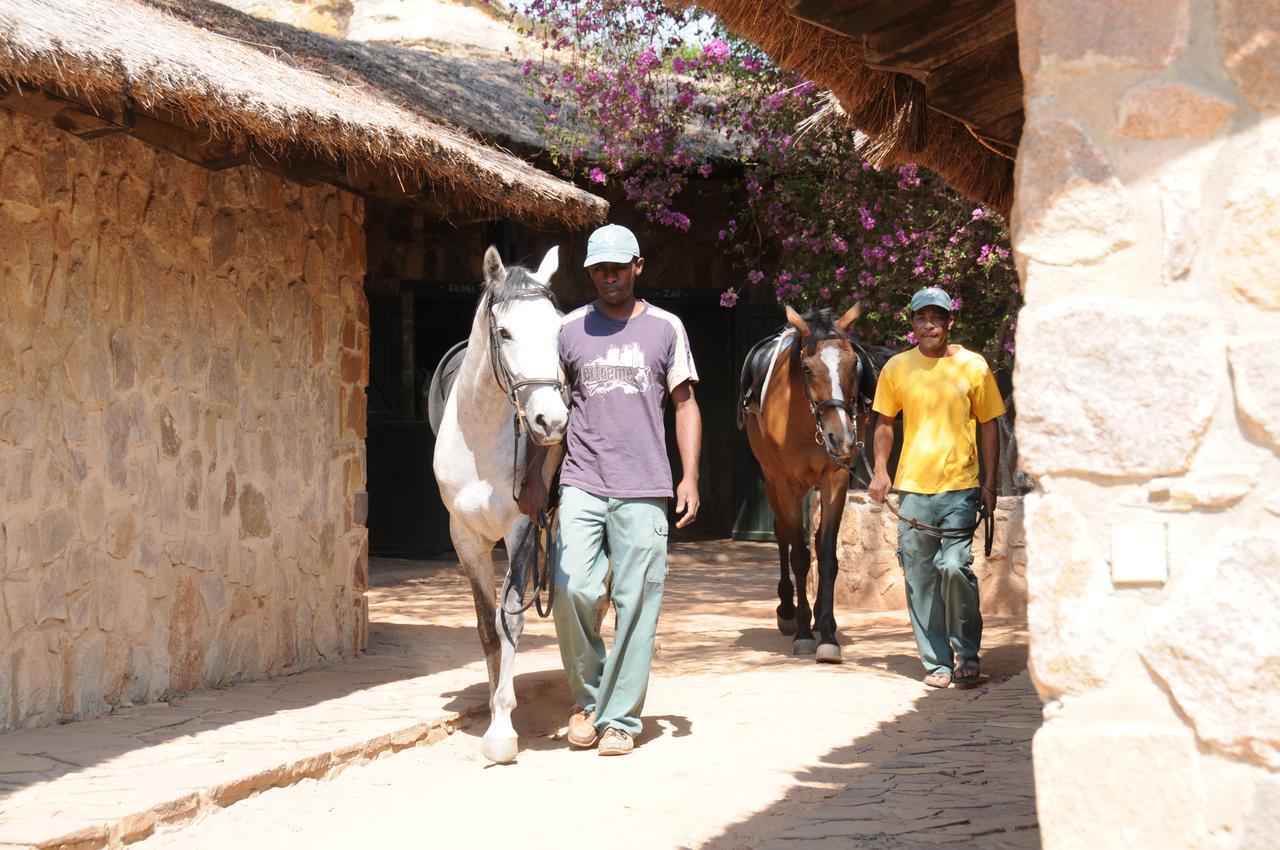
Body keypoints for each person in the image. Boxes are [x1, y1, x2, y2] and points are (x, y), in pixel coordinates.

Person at [518, 223, 701, 755]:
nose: (609, 278)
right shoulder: (570, 330)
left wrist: (689, 476)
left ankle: (619, 718)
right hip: (581, 478)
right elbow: (549, 411)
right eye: (600, 269)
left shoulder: (667, 328)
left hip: (645, 484)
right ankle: (590, 700)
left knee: (636, 600)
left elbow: (686, 404)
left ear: (638, 266)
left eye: (619, 268)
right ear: (590, 272)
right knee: (572, 585)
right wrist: (534, 475)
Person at [867, 286, 1004, 689]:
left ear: (949, 323)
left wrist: (990, 485)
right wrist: (880, 470)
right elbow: (884, 423)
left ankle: (968, 652)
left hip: (960, 487)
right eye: (922, 318)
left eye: (937, 318)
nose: (929, 325)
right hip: (911, 490)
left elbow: (989, 424)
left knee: (953, 566)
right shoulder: (896, 368)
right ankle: (938, 663)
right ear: (912, 324)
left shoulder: (973, 366)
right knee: (920, 577)